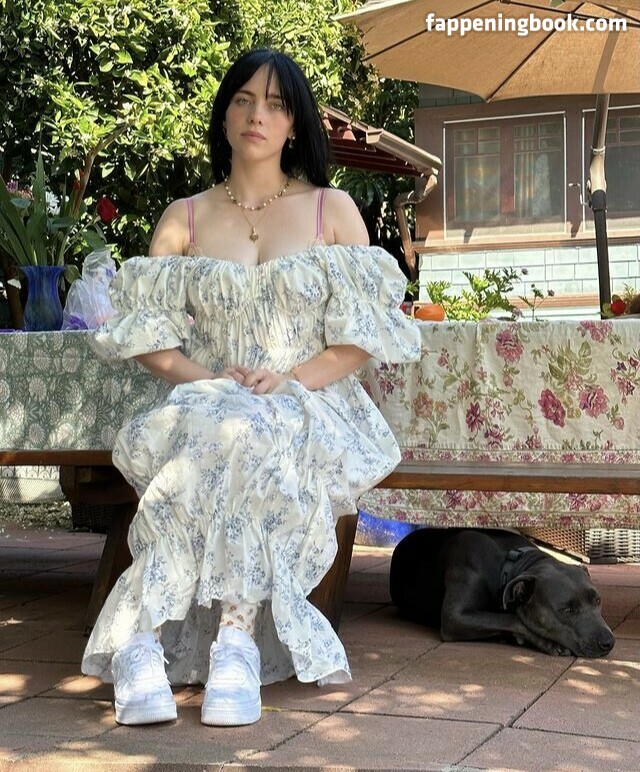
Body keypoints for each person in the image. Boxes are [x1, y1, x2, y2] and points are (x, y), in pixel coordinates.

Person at [82, 48, 421, 728]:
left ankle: (225, 643)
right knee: (225, 423)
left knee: (253, 426)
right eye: (242, 99)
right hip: (204, 396)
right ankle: (152, 647)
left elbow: (361, 338)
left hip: (307, 397)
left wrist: (288, 380)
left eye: (274, 103)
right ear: (224, 114)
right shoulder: (184, 216)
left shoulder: (331, 210)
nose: (256, 115)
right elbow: (148, 337)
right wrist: (209, 379)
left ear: (294, 124)